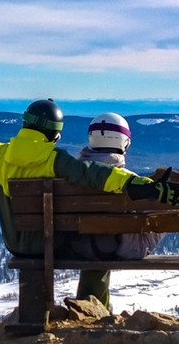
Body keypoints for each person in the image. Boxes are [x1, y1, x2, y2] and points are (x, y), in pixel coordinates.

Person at [0, 51, 179, 274]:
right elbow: (97, 176)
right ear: (54, 135)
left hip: (16, 245)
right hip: (57, 245)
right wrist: (144, 186)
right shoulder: (54, 160)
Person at [69, 112, 163, 307]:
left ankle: (95, 306)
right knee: (165, 212)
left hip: (75, 246)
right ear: (125, 143)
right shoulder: (129, 180)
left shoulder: (70, 176)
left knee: (99, 236)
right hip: (123, 248)